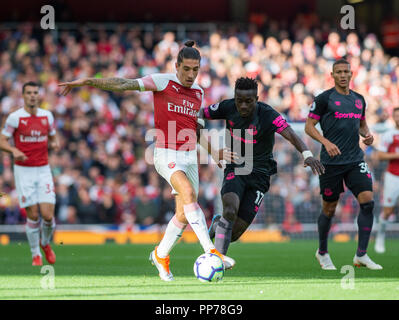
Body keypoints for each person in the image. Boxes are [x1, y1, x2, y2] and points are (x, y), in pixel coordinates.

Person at [58, 40, 235, 281]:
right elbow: (124, 84)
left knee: (183, 215)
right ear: (177, 65)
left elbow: (196, 129)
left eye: (196, 69)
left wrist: (214, 153)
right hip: (165, 153)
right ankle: (212, 252)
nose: (191, 74)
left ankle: (160, 255)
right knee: (189, 194)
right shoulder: (163, 81)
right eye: (186, 69)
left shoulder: (198, 92)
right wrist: (89, 81)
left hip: (189, 155)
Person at [202, 77, 324, 256]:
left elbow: (290, 133)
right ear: (234, 98)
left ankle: (218, 224)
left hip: (260, 174)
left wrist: (307, 154)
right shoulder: (226, 107)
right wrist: (211, 150)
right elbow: (198, 114)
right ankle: (217, 260)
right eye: (239, 101)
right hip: (236, 167)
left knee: (233, 233)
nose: (243, 106)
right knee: (230, 208)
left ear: (256, 99)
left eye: (248, 101)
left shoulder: (267, 114)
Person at [305, 59, 382, 270]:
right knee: (329, 208)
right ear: (332, 74)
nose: (342, 75)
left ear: (351, 74)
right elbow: (309, 127)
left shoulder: (359, 100)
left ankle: (362, 255)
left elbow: (362, 124)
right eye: (338, 72)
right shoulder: (324, 99)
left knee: (368, 202)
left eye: (346, 71)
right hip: (331, 163)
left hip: (355, 160)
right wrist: (326, 142)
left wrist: (367, 135)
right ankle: (322, 252)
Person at [0, 81, 59, 266]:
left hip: (43, 169)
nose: (33, 95)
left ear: (39, 95)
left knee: (48, 216)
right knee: (33, 214)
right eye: (29, 92)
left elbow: (53, 135)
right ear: (23, 95)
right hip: (23, 170)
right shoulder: (15, 118)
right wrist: (13, 151)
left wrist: (55, 143)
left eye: (35, 92)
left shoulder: (47, 116)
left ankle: (45, 243)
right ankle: (35, 254)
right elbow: (2, 140)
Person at [374, 107, 399, 253]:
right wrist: (396, 156)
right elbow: (380, 156)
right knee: (388, 210)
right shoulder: (389, 134)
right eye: (396, 116)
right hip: (393, 176)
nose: (398, 118)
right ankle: (380, 236)